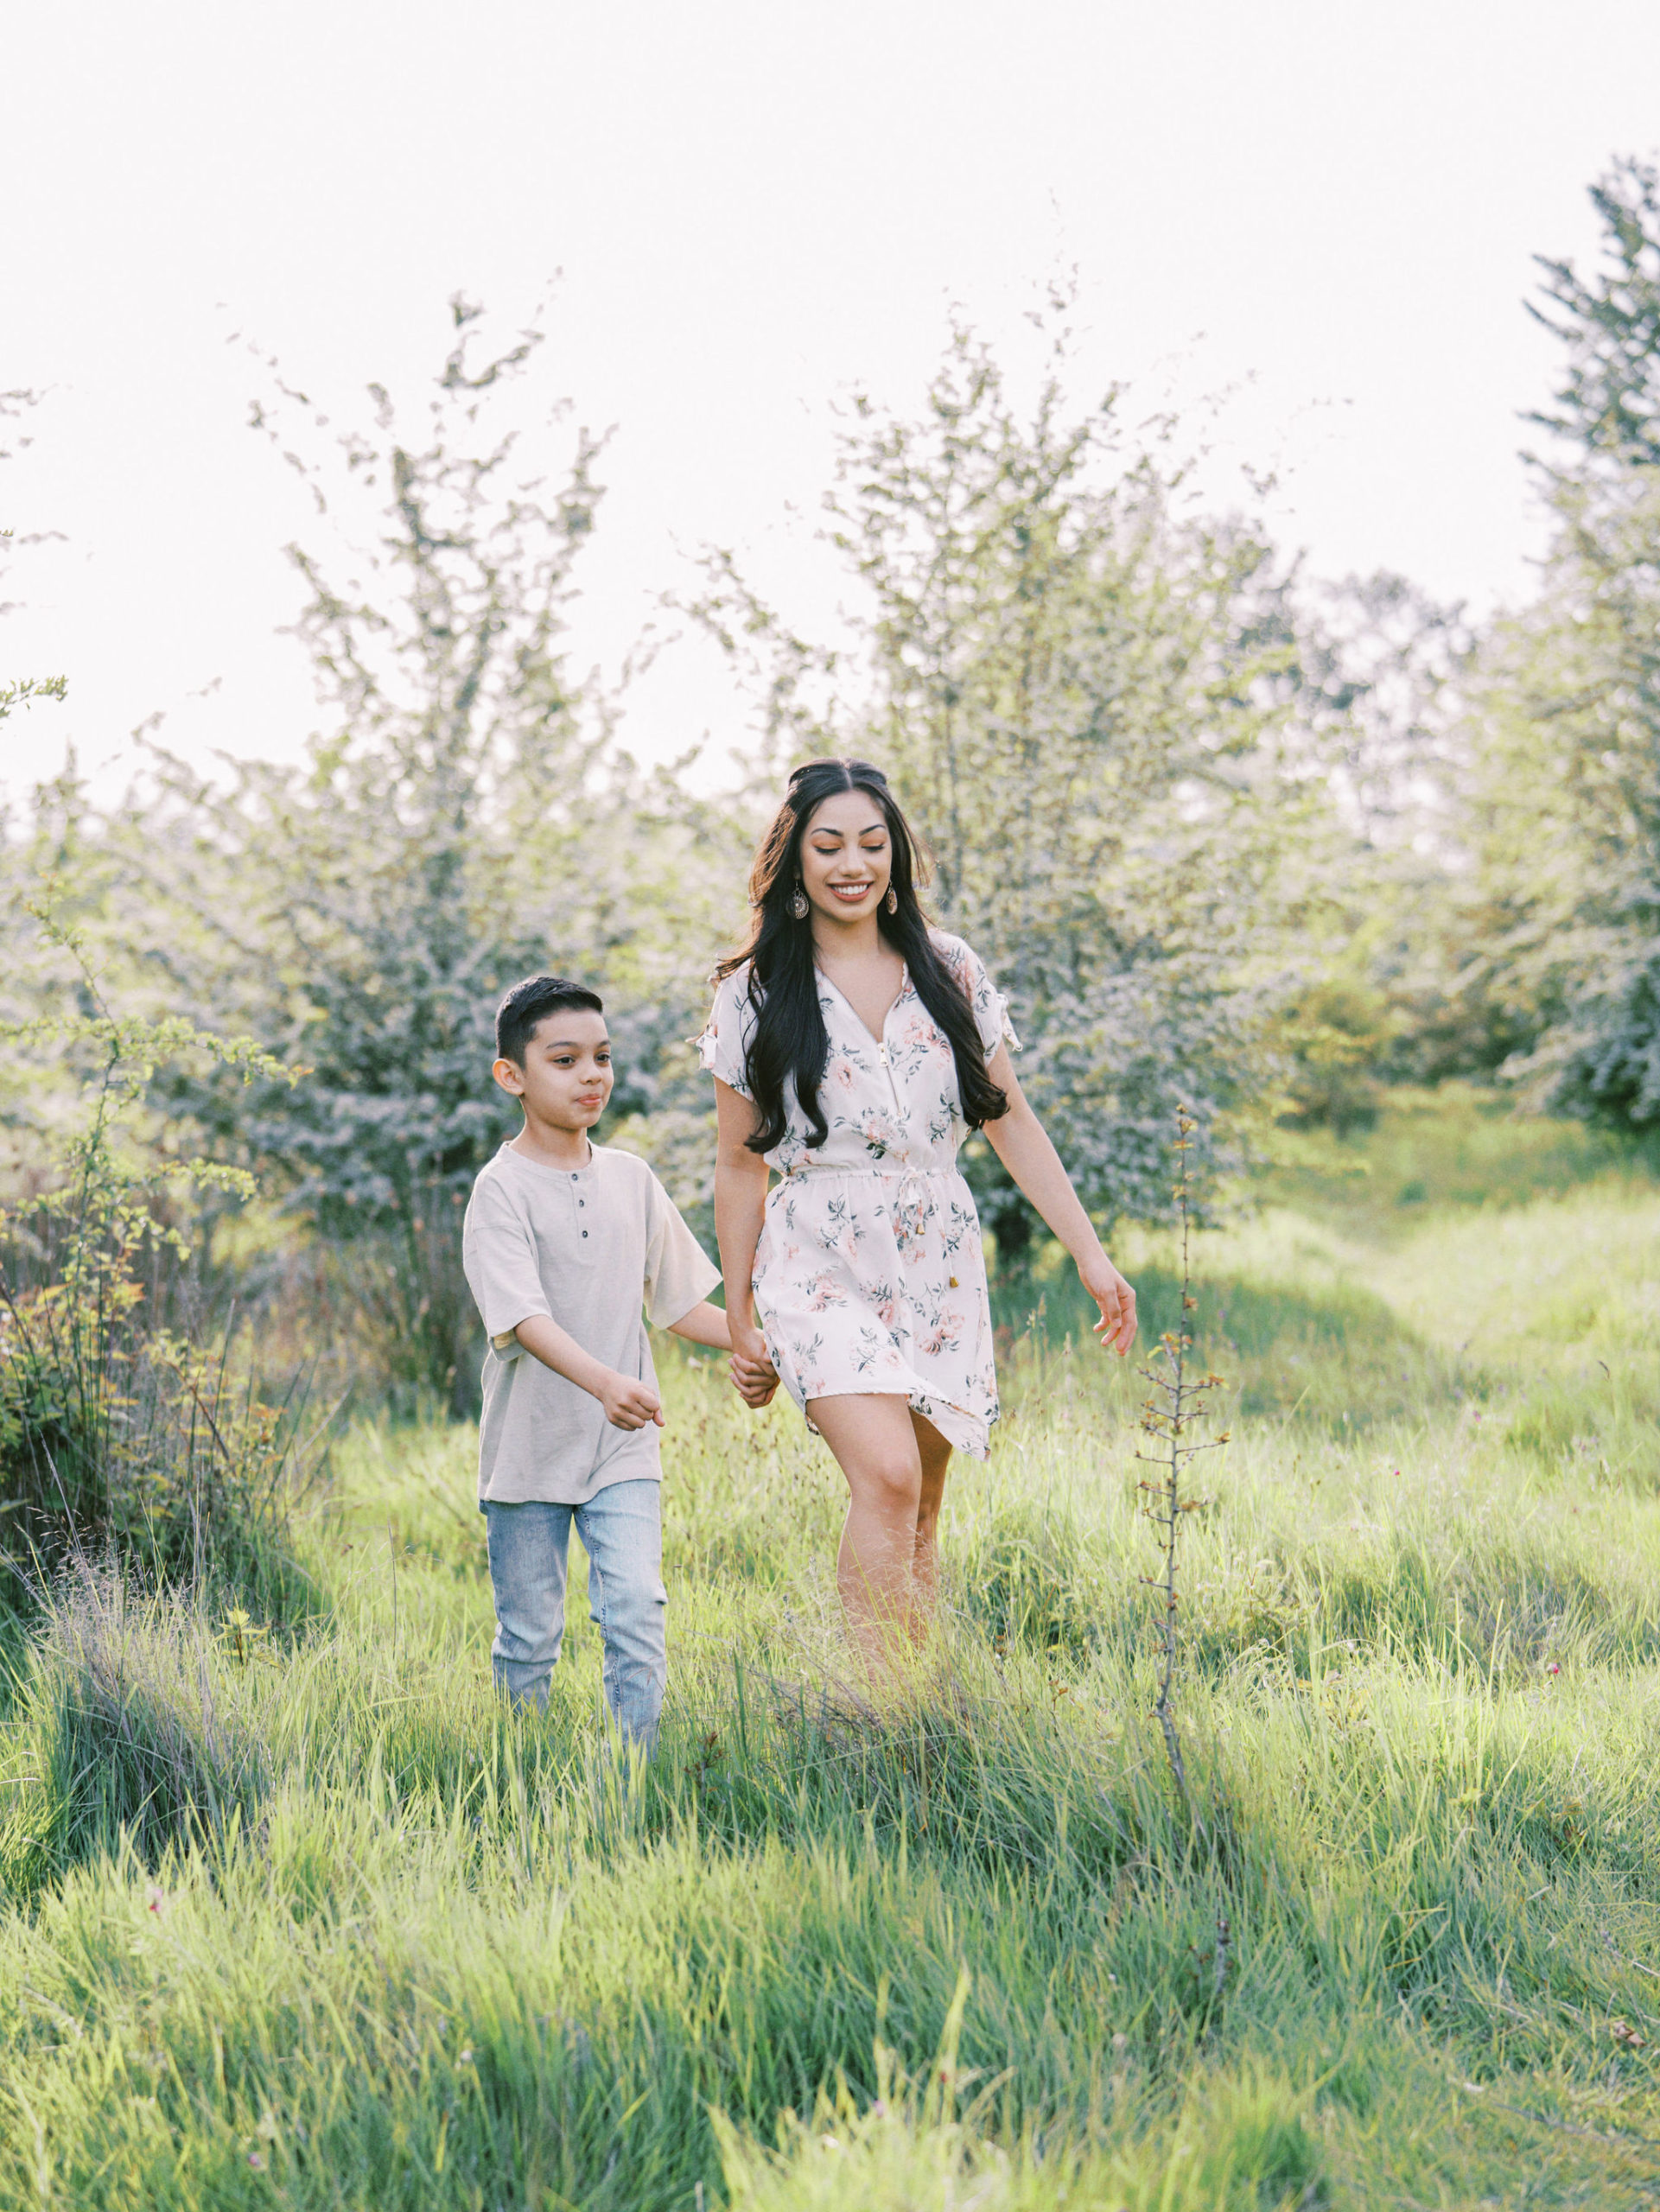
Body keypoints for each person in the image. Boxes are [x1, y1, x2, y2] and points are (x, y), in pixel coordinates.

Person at [697, 759, 1137, 1669]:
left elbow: (1009, 1118)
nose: (851, 863)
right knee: (887, 1476)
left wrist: (1092, 1257)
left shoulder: (948, 967)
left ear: (896, 853)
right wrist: (739, 1312)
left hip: (935, 1251)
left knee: (923, 1496)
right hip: (816, 1253)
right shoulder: (753, 990)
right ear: (794, 860)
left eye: (871, 842)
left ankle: (913, 1701)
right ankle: (870, 1698)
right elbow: (739, 1167)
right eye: (827, 845)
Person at [462, 973, 774, 1749]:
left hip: (622, 1446)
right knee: (530, 1637)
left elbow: (675, 1305)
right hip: (528, 1453)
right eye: (564, 1060)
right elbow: (524, 1318)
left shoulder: (631, 1178)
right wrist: (605, 1381)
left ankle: (638, 1770)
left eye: (601, 1056)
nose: (591, 1074)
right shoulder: (499, 1192)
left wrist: (759, 1345)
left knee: (635, 1606)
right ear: (513, 1076)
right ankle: (522, 1771)